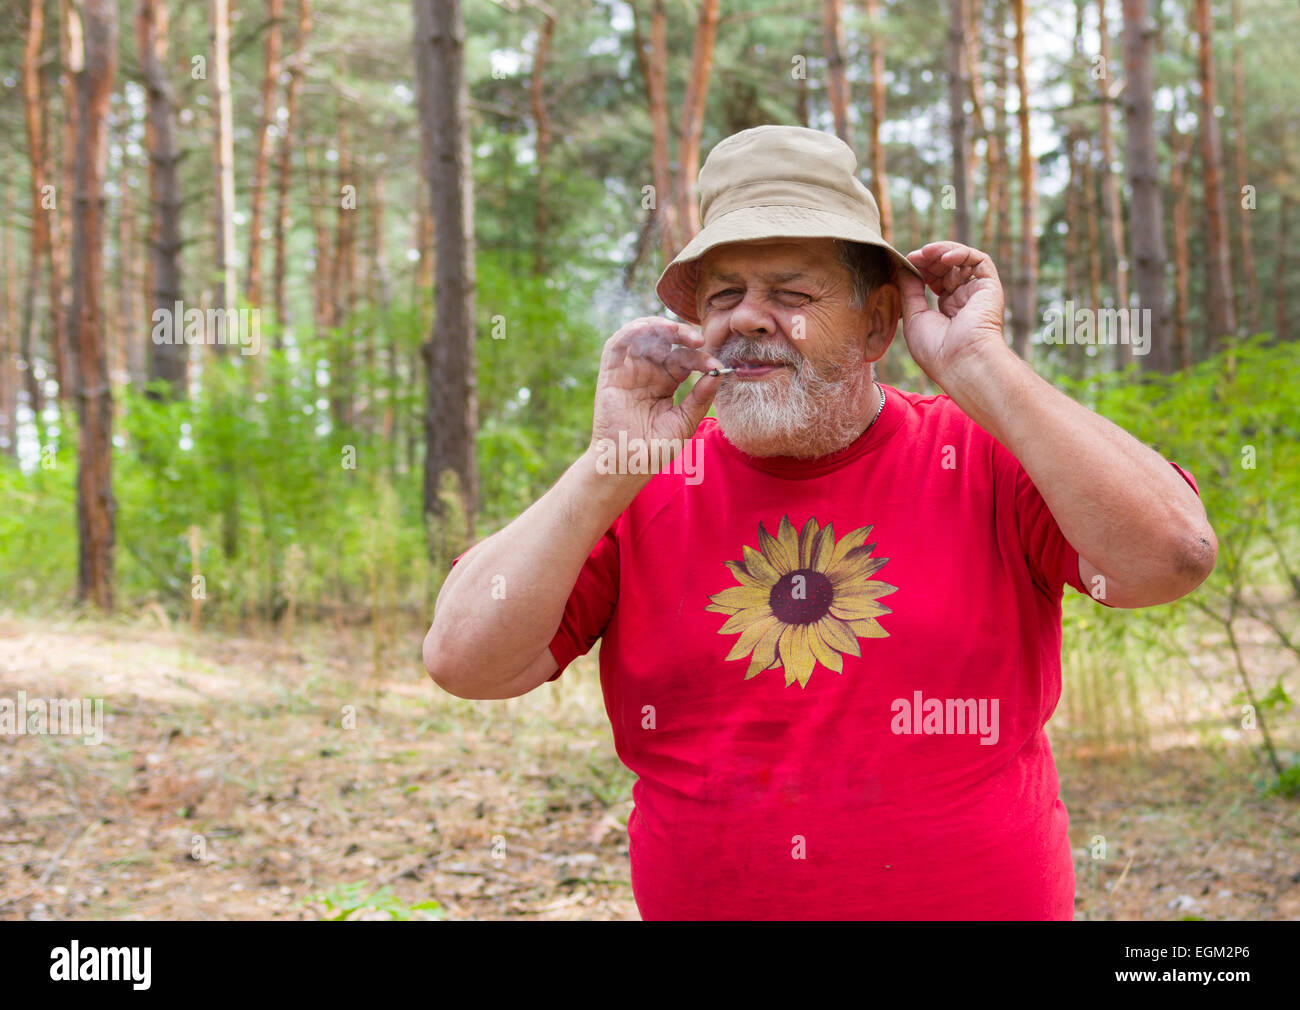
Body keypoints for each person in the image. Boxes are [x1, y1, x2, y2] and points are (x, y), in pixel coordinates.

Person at [423, 125, 1216, 920]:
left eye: (792, 294)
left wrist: (983, 367)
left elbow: (1171, 557)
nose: (749, 319)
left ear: (877, 327)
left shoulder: (981, 456)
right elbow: (466, 661)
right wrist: (604, 469)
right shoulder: (638, 481)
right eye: (724, 296)